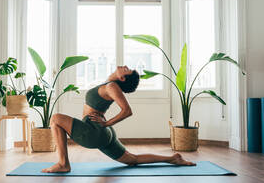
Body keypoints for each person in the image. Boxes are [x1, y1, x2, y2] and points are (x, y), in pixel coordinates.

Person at [42, 65, 196, 173]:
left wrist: (106, 123)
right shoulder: (110, 84)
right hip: (102, 132)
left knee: (55, 118)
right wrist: (105, 124)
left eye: (127, 70)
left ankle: (63, 164)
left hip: (95, 131)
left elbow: (127, 111)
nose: (124, 66)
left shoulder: (111, 87)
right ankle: (173, 159)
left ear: (122, 78)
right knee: (132, 159)